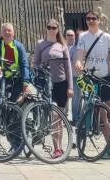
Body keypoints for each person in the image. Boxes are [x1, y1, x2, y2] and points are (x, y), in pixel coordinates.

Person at [75, 10, 110, 161]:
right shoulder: (83, 37)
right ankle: (109, 147)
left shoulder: (106, 37)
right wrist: (78, 63)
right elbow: (79, 54)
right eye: (88, 18)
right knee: (100, 113)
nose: (91, 20)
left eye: (94, 18)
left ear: (99, 20)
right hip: (91, 78)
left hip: (106, 77)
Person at [33, 19, 72, 158]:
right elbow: (35, 64)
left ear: (57, 29)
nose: (51, 29)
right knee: (54, 116)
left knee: (59, 118)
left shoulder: (62, 45)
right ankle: (56, 148)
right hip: (46, 84)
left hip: (61, 83)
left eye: (54, 27)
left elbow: (68, 68)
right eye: (49, 27)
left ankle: (60, 147)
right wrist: (41, 70)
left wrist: (70, 87)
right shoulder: (40, 44)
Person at [0, 22, 31, 102]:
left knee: (17, 101)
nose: (7, 32)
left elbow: (24, 64)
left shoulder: (19, 46)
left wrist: (25, 82)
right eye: (5, 31)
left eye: (9, 30)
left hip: (16, 78)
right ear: (1, 33)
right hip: (1, 77)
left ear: (13, 33)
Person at [65, 29, 81, 123]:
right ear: (65, 36)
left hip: (75, 75)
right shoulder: (62, 47)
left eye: (72, 35)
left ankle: (75, 118)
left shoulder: (78, 47)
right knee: (64, 98)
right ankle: (63, 117)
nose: (70, 37)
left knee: (76, 98)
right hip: (65, 76)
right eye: (68, 35)